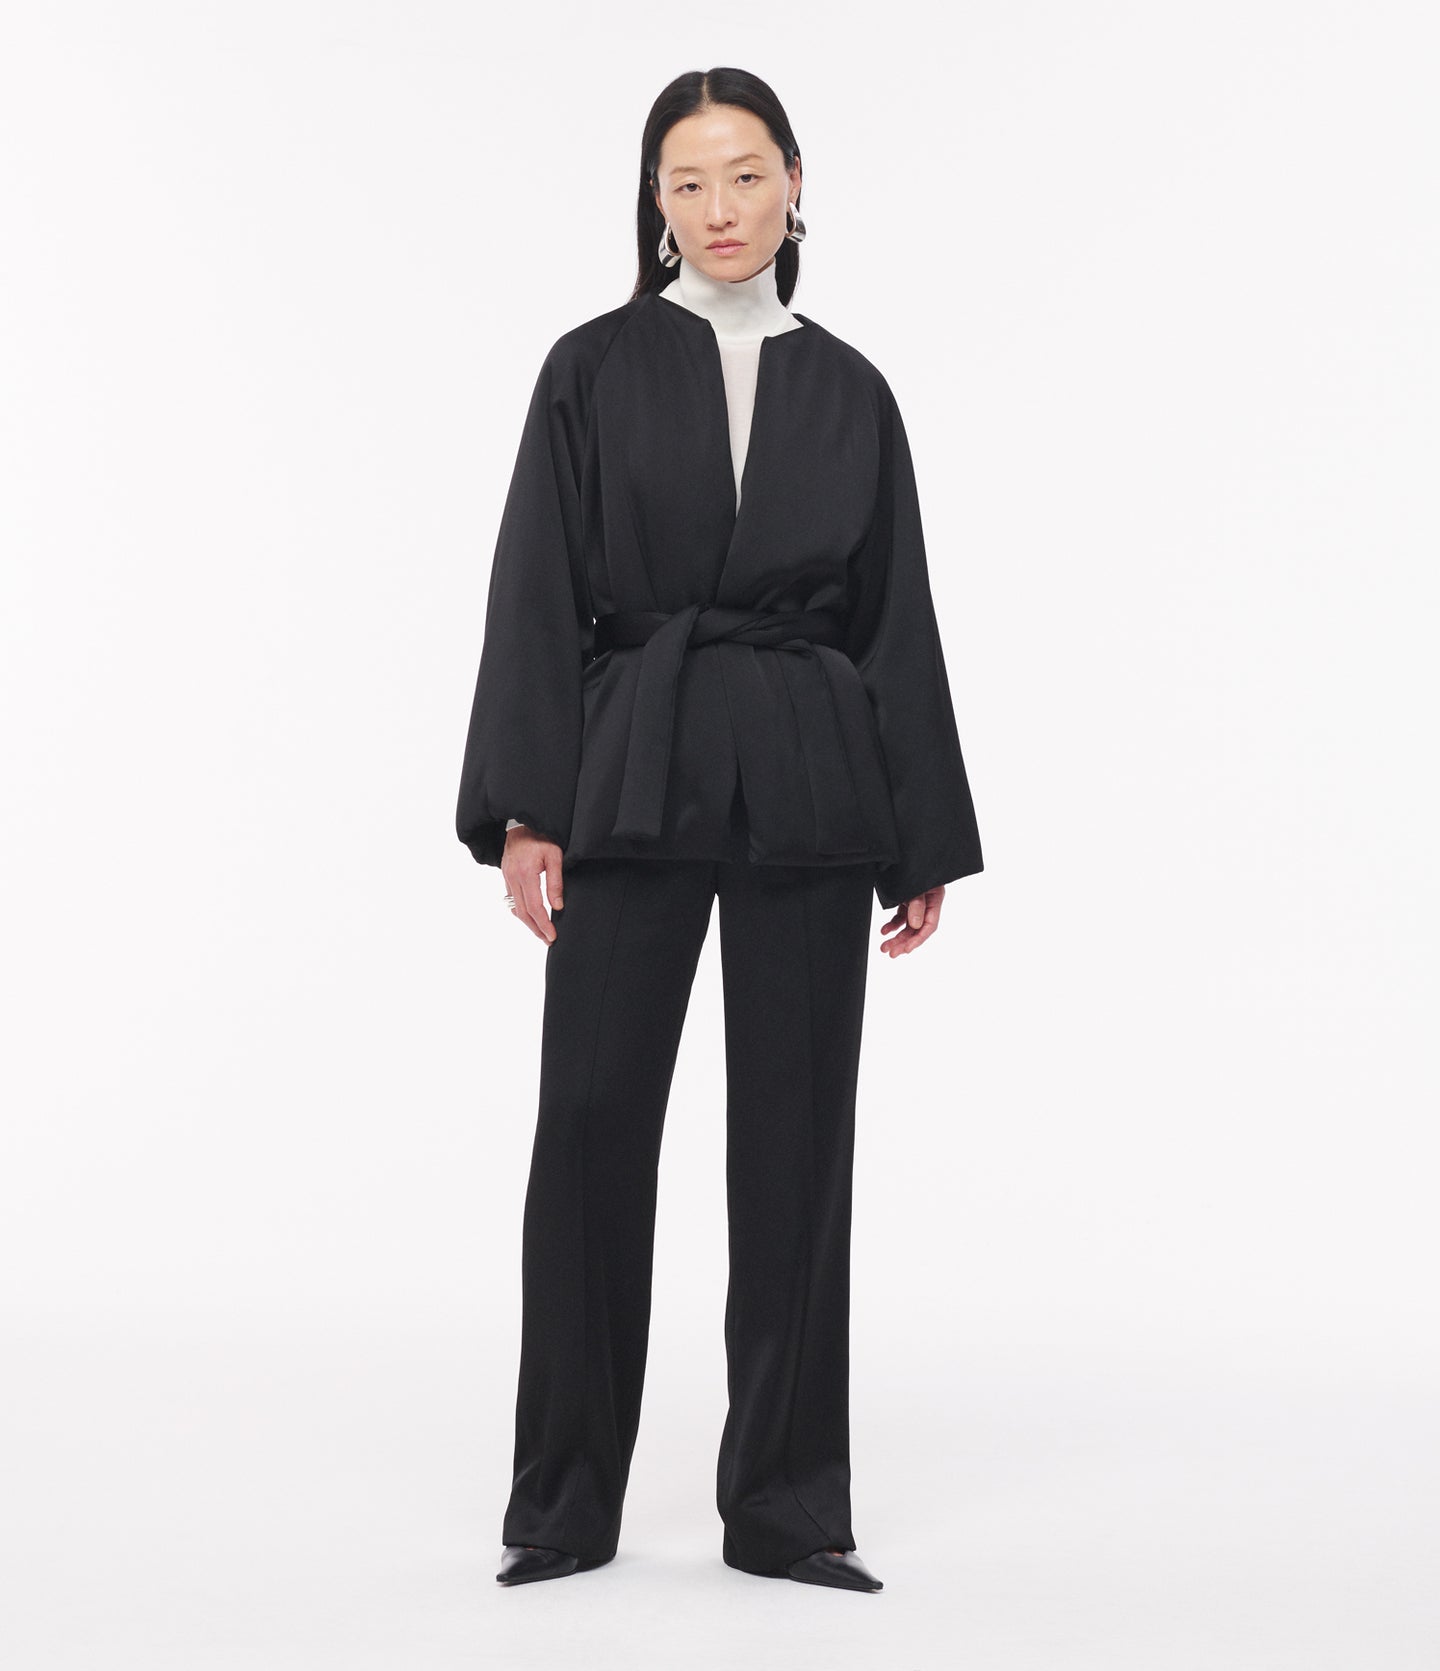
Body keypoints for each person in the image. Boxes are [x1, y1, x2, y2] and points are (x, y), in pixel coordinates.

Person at [455, 67, 983, 1594]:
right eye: (687, 182)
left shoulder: (852, 390)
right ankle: (562, 1505)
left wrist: (919, 836)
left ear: (796, 183)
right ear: (655, 202)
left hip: (809, 779)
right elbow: (535, 588)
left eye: (745, 174)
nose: (719, 208)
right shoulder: (591, 369)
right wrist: (527, 809)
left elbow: (895, 617)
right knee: (591, 1126)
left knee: (800, 1145)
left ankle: (789, 1507)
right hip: (631, 768)